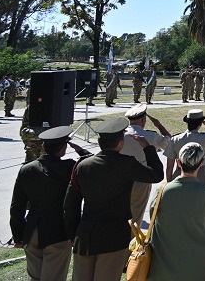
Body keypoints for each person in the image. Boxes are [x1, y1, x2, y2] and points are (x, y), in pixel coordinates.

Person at [64, 118, 164, 281]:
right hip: (114, 238)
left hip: (86, 236)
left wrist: (73, 234)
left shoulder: (82, 166)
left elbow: (70, 205)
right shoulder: (126, 164)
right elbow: (156, 174)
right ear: (120, 143)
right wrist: (147, 147)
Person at [10, 126, 90, 281]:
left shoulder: (26, 169)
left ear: (43, 147)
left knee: (34, 278)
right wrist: (80, 150)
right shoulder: (70, 168)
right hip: (59, 231)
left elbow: (17, 206)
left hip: (32, 231)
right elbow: (89, 162)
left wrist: (18, 235)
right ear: (64, 147)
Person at [148, 142, 205, 281]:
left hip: (163, 264)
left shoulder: (162, 191)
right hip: (198, 263)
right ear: (202, 163)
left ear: (178, 163)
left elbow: (153, 217)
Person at [121, 104, 171, 226]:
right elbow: (169, 142)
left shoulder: (120, 135)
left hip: (121, 178)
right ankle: (132, 241)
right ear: (143, 120)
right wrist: (159, 125)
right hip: (141, 179)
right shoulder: (150, 136)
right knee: (136, 215)